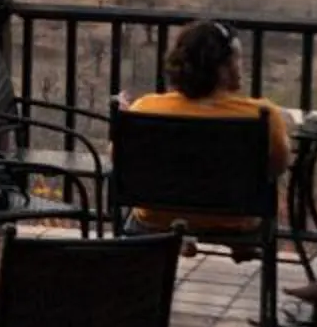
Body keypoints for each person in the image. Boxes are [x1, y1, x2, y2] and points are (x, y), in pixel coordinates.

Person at [124, 18, 292, 240]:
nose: (242, 66)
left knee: (134, 216)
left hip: (157, 219)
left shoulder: (144, 108)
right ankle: (242, 246)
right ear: (222, 67)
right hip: (235, 220)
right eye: (237, 58)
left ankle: (172, 244)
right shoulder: (263, 115)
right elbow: (277, 166)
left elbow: (122, 159)